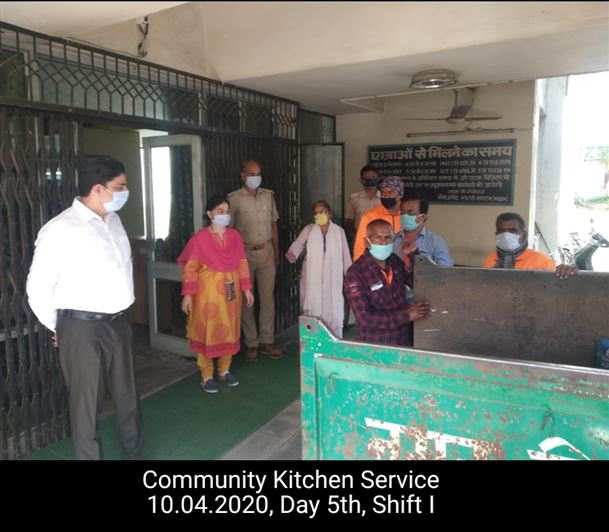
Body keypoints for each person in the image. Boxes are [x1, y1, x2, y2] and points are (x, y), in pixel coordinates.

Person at [26, 156, 143, 460]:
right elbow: (37, 288)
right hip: (81, 329)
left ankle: (133, 453)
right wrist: (59, 328)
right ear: (98, 189)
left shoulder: (113, 220)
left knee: (127, 396)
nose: (125, 192)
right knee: (86, 404)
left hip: (118, 322)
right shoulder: (60, 230)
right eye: (120, 186)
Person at [178, 196, 254, 394]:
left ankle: (225, 370)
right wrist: (188, 295)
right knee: (206, 331)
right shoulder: (200, 238)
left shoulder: (235, 236)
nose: (224, 215)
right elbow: (190, 268)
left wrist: (246, 289)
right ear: (210, 214)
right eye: (219, 211)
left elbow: (242, 263)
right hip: (206, 295)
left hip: (231, 292)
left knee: (229, 328)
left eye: (226, 211)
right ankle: (206, 375)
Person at [227, 160, 284, 362]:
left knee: (267, 298)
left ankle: (267, 340)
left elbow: (274, 225)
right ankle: (252, 343)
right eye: (251, 174)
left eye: (258, 173)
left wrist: (276, 252)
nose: (255, 177)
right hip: (244, 254)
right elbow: (230, 230)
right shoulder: (234, 199)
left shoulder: (268, 196)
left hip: (267, 251)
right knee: (246, 301)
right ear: (243, 175)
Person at [344, 219, 431, 346]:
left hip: (402, 340)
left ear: (394, 239)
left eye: (387, 237)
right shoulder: (356, 273)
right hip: (375, 343)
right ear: (366, 242)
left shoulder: (395, 261)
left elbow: (416, 283)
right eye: (377, 238)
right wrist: (406, 316)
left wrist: (412, 255)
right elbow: (365, 317)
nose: (383, 242)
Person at [285, 200, 352, 338]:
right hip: (312, 278)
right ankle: (312, 342)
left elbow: (345, 255)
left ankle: (333, 342)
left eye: (322, 212)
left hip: (332, 279)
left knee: (332, 308)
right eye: (316, 213)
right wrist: (293, 253)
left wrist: (350, 276)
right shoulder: (309, 230)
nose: (319, 215)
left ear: (329, 214)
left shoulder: (339, 232)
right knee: (313, 309)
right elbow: (298, 244)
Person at [483, 212, 577, 278]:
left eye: (512, 231)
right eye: (501, 231)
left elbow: (554, 285)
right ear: (496, 235)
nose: (506, 235)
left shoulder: (540, 261)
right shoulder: (491, 258)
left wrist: (565, 271)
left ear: (524, 235)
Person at [394, 196, 454, 278]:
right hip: (397, 289)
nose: (405, 216)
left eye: (411, 213)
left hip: (423, 289)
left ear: (423, 217)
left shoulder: (436, 242)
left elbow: (445, 273)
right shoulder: (392, 239)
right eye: (403, 212)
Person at [353, 175, 404, 261]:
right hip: (376, 266)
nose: (386, 196)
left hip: (402, 267)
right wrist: (358, 268)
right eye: (383, 193)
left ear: (400, 194)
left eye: (390, 192)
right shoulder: (370, 216)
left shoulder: (407, 215)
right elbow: (360, 247)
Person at [345, 165, 381, 238]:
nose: (370, 179)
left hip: (380, 238)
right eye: (367, 177)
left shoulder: (384, 198)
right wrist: (356, 235)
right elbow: (349, 221)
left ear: (378, 179)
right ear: (361, 180)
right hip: (360, 237)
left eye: (373, 177)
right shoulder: (354, 198)